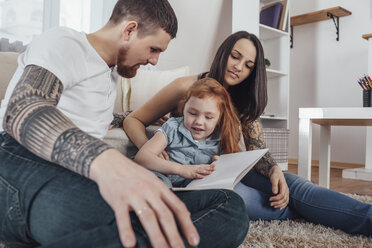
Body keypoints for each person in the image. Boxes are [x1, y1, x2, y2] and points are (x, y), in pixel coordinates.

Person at [0, 1, 249, 247]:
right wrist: (107, 161)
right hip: (18, 159)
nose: (155, 61)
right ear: (129, 30)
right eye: (154, 49)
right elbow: (23, 111)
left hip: (79, 178)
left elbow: (105, 118)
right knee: (123, 221)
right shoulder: (66, 42)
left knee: (231, 207)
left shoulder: (110, 74)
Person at [124, 30, 372, 236]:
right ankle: (317, 210)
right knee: (271, 203)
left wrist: (274, 169)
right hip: (194, 179)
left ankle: (367, 218)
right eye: (235, 56)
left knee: (292, 184)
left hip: (223, 167)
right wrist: (156, 151)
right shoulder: (186, 88)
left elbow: (257, 148)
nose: (238, 67)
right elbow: (134, 119)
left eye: (248, 65)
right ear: (224, 53)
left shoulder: (242, 99)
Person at [135, 78, 242, 188]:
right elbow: (142, 157)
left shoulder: (221, 137)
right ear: (184, 108)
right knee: (162, 185)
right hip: (159, 176)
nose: (199, 122)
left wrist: (219, 167)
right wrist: (181, 169)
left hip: (191, 186)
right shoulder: (173, 127)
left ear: (219, 118)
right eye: (193, 113)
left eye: (208, 117)